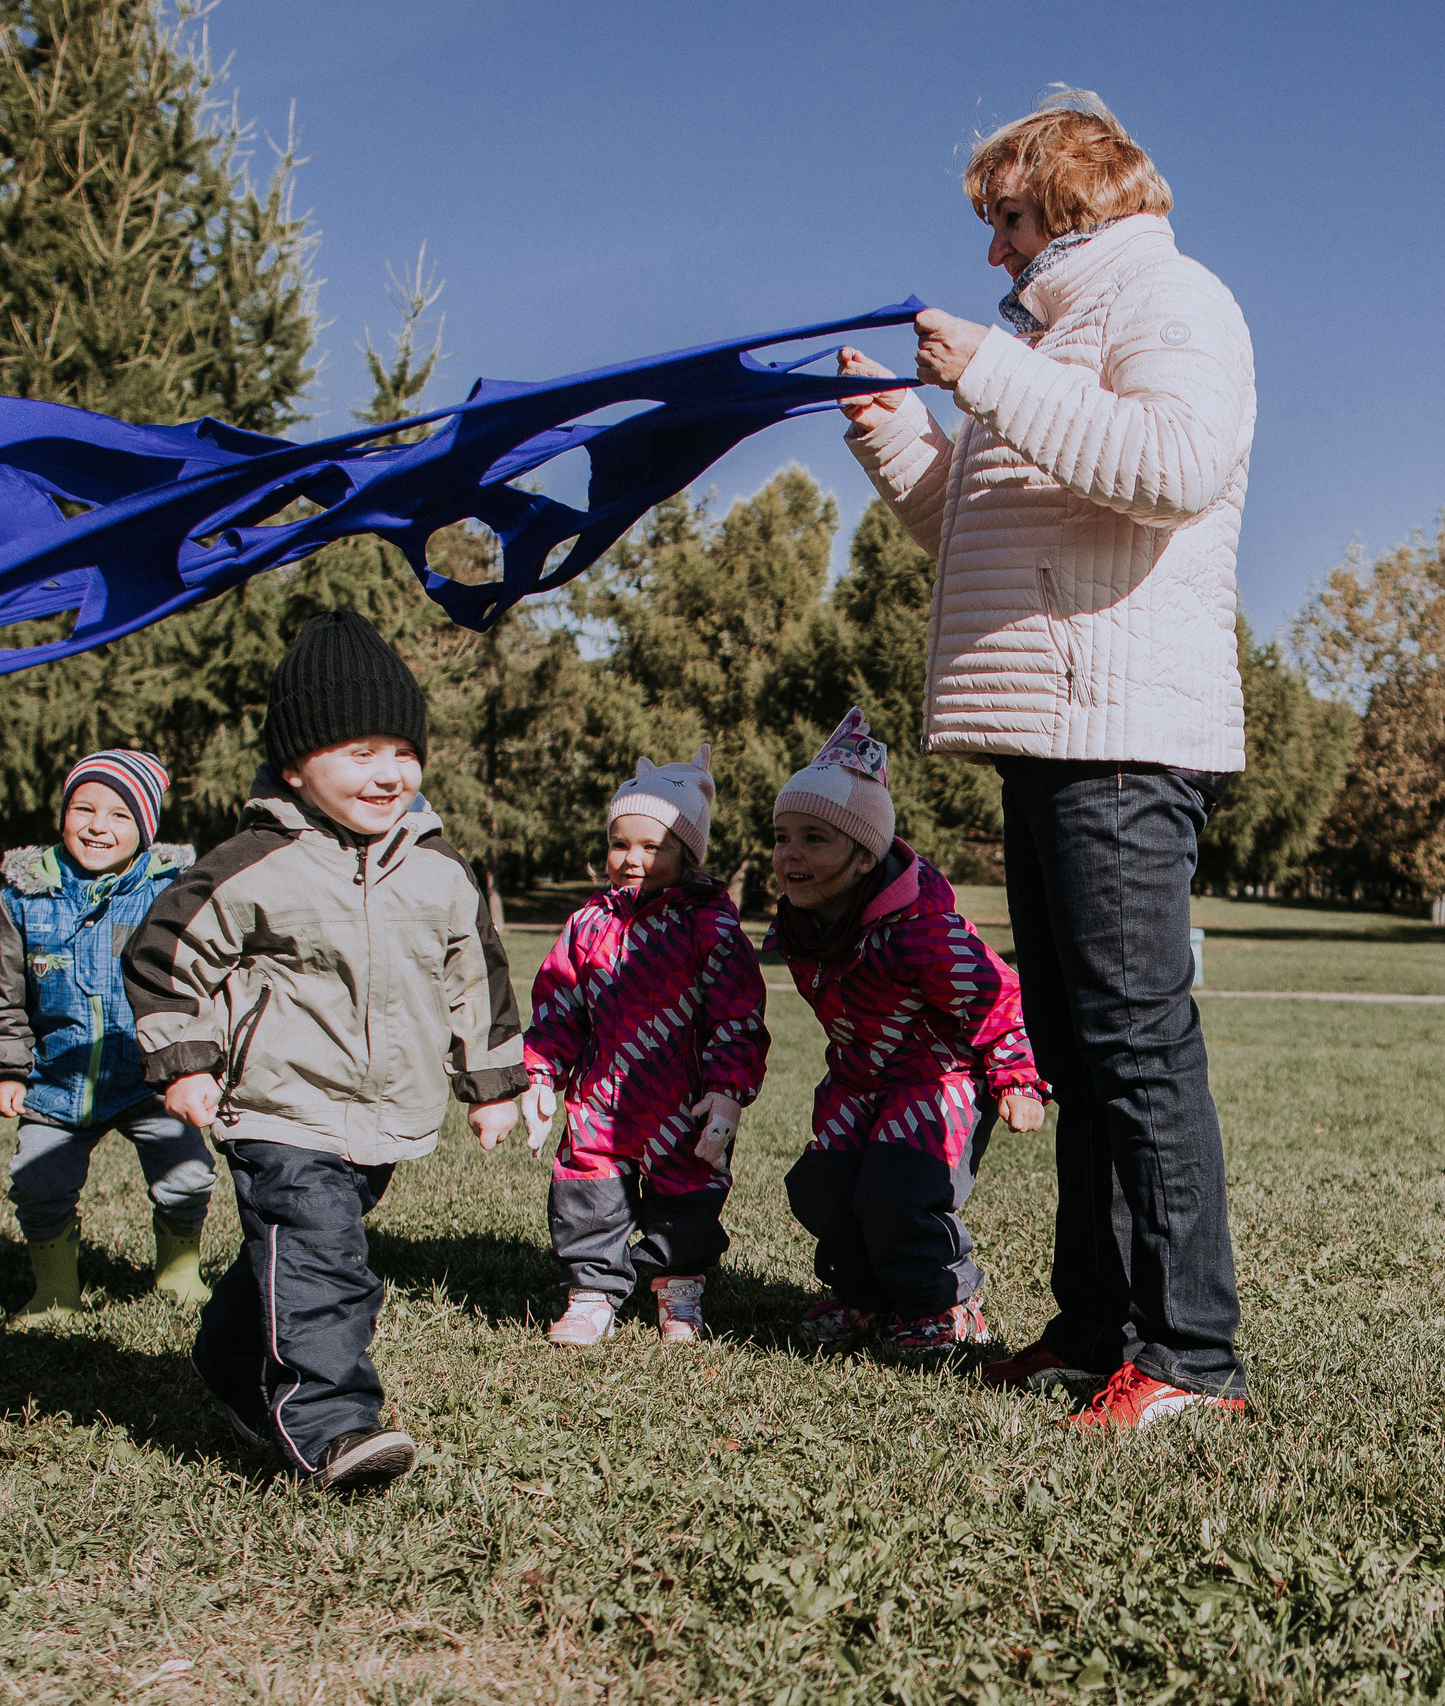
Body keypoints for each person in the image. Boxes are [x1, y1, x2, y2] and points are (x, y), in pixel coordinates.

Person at [834, 87, 1253, 1427]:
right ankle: (1092, 1325)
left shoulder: (1175, 305)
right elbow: (974, 519)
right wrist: (895, 428)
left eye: (1010, 220)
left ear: (1079, 196)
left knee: (1137, 1044)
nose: (996, 252)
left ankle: (1191, 1359)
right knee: (1076, 1044)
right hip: (1049, 729)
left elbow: (1176, 466)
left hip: (1125, 735)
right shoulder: (1046, 340)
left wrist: (989, 377)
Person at [127, 609, 525, 1494]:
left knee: (295, 1250)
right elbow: (163, 957)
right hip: (280, 1104)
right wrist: (185, 1060)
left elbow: (479, 976)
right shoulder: (253, 862)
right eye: (358, 751)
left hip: (387, 1112)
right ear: (298, 763)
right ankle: (332, 1424)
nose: (387, 773)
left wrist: (492, 1083)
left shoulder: (436, 867)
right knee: (322, 1252)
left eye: (402, 750)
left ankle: (232, 1356)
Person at [769, 712, 1046, 1355]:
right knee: (822, 1189)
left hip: (937, 1076)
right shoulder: (803, 926)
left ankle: (944, 1306)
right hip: (858, 1080)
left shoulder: (922, 929)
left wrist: (1018, 1079)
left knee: (902, 1191)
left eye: (814, 838)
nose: (791, 855)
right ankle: (867, 1299)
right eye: (782, 837)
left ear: (864, 854)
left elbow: (998, 995)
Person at [522, 747, 768, 1347]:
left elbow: (738, 1015)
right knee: (587, 1191)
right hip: (601, 1097)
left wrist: (727, 1092)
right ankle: (591, 1292)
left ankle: (679, 1291)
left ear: (687, 853)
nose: (632, 859)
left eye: (652, 847)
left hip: (682, 1102)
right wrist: (539, 1076)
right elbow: (559, 1004)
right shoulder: (588, 925)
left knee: (687, 1202)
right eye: (619, 843)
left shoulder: (710, 928)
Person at [0, 749, 216, 1317]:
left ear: (147, 828)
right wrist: (7, 1068)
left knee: (189, 1178)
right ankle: (54, 1291)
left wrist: (195, 1061)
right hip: (56, 1085)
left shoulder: (171, 895)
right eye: (84, 808)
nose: (98, 826)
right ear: (63, 812)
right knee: (40, 1186)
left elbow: (202, 980)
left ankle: (178, 1275)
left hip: (151, 1078)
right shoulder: (24, 899)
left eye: (121, 815)